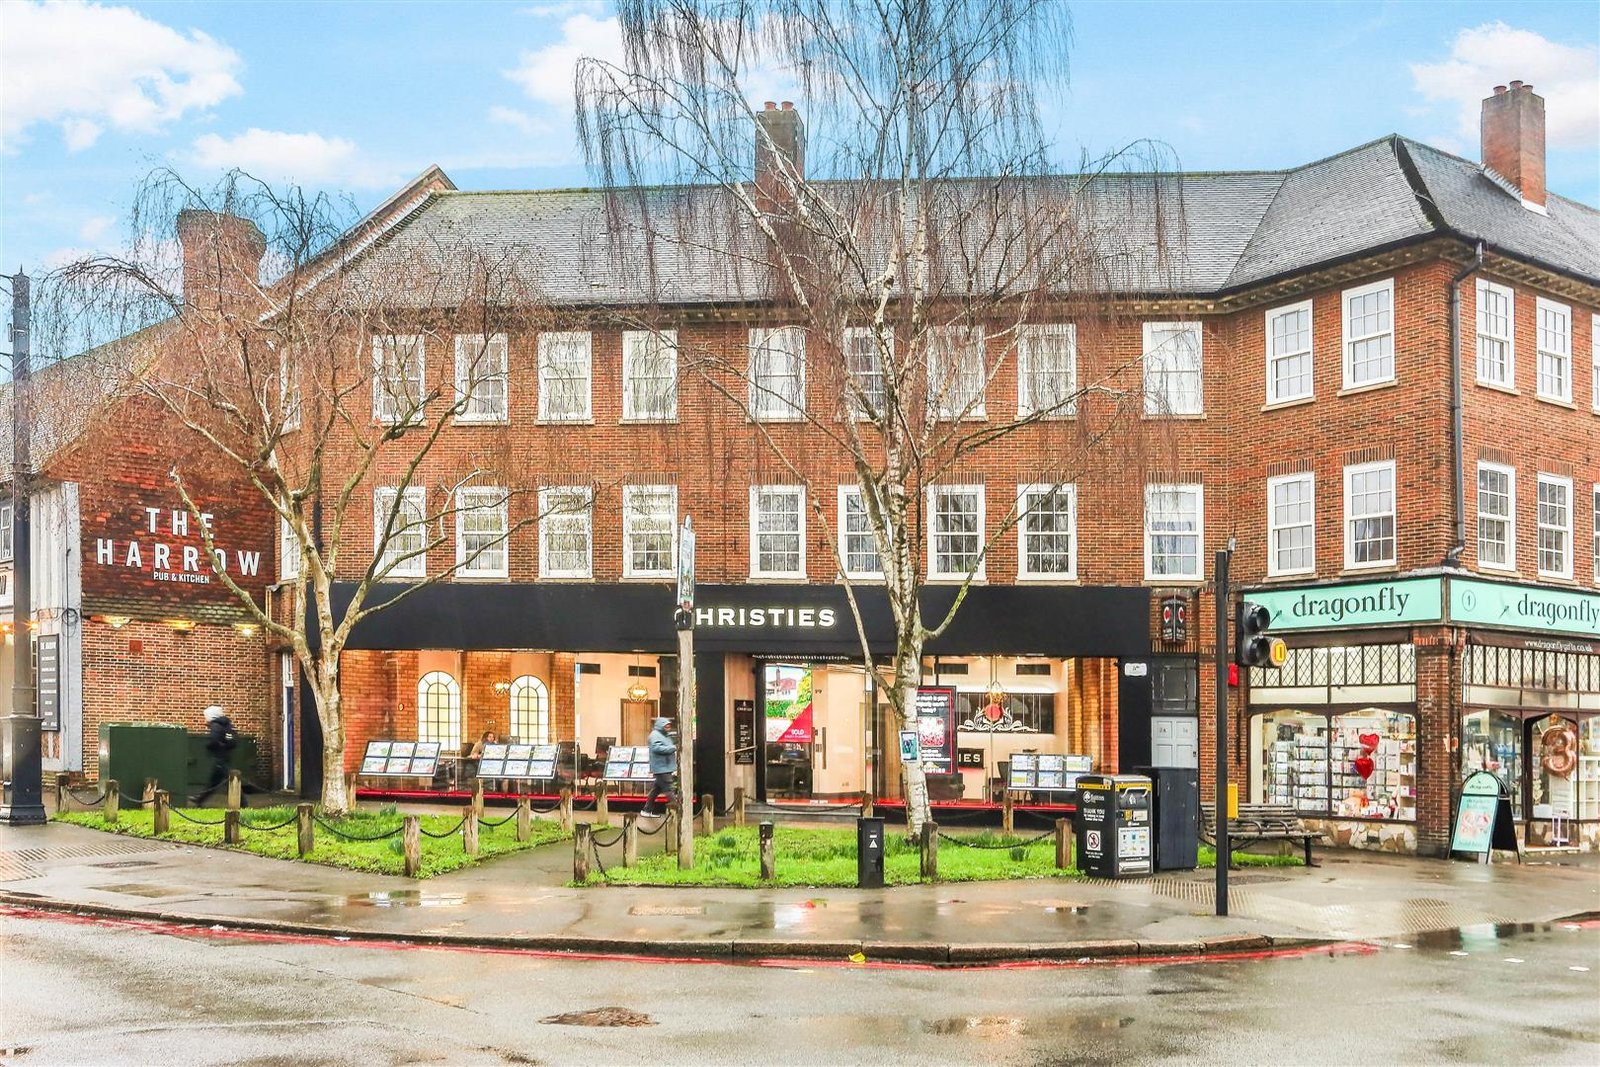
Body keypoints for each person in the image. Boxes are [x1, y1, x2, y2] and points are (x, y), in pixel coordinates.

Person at [190, 704, 237, 805]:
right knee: (215, 781)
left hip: (220, 757)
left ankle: (242, 803)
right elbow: (234, 741)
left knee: (230, 780)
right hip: (226, 756)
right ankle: (199, 799)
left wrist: (210, 747)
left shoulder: (215, 726)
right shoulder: (227, 725)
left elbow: (214, 741)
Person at [641, 716, 677, 817]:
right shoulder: (655, 735)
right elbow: (657, 748)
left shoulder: (665, 735)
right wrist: (672, 748)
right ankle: (678, 810)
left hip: (665, 766)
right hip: (661, 768)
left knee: (656, 789)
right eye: (666, 726)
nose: (668, 727)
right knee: (668, 789)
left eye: (669, 726)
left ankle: (647, 810)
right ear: (661, 725)